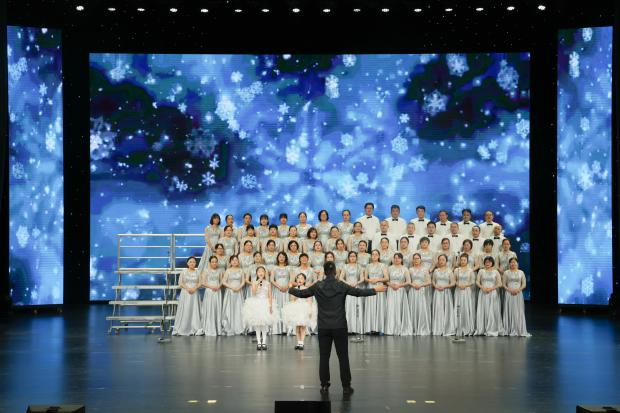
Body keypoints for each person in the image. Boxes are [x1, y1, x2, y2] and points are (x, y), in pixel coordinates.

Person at [288, 261, 387, 395]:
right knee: (343, 357)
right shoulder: (341, 285)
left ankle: (324, 385)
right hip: (339, 326)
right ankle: (346, 386)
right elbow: (358, 292)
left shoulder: (318, 286)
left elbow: (302, 293)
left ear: (324, 272)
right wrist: (375, 289)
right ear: (335, 272)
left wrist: (290, 288)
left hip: (324, 326)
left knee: (324, 357)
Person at [242, 266, 274, 350]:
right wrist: (258, 283)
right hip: (256, 303)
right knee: (257, 324)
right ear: (257, 273)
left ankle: (264, 342)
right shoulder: (254, 282)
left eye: (262, 271)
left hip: (265, 303)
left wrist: (270, 306)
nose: (261, 273)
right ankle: (259, 342)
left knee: (264, 324)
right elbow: (253, 292)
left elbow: (270, 295)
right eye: (259, 271)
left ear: (264, 273)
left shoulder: (268, 283)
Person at [282, 273, 316, 350]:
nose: (300, 279)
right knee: (297, 327)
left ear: (304, 280)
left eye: (301, 278)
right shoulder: (294, 289)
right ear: (296, 280)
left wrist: (310, 310)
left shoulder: (307, 289)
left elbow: (310, 300)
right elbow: (291, 300)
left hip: (304, 309)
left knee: (303, 326)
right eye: (298, 278)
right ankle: (298, 342)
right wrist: (296, 293)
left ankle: (302, 343)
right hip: (296, 309)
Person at [172, 256, 204, 336]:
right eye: (190, 262)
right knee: (186, 308)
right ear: (187, 263)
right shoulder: (184, 271)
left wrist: (194, 288)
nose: (192, 263)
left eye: (194, 262)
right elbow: (180, 283)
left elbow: (200, 282)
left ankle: (195, 327)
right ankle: (183, 327)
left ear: (196, 263)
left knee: (194, 309)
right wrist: (188, 288)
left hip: (195, 293)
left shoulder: (198, 272)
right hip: (186, 293)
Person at [475, 257, 504, 336]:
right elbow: (477, 282)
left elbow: (500, 283)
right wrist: (482, 288)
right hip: (483, 292)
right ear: (484, 263)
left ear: (492, 263)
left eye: (489, 262)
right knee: (483, 309)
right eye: (486, 262)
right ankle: (482, 328)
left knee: (492, 310)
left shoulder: (495, 271)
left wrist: (491, 288)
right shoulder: (481, 271)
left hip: (492, 293)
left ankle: (492, 328)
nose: (487, 263)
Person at [385, 253, 412, 336]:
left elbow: (408, 281)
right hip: (391, 290)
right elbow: (386, 280)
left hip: (400, 290)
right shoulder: (389, 268)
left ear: (401, 259)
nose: (397, 259)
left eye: (399, 258)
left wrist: (399, 285)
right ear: (393, 259)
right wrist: (391, 285)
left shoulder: (405, 269)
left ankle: (400, 328)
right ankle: (390, 329)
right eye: (395, 258)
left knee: (400, 308)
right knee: (391, 308)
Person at [502, 258, 531, 337]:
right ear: (509, 264)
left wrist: (518, 290)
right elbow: (504, 284)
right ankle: (508, 329)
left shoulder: (521, 272)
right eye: (511, 262)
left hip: (518, 293)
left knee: (518, 310)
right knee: (509, 309)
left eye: (514, 262)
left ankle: (519, 329)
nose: (513, 264)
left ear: (517, 263)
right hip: (509, 293)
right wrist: (510, 290)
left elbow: (524, 284)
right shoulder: (506, 272)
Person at [339, 251, 365, 335]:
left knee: (357, 307)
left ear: (356, 257)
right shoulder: (345, 266)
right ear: (348, 257)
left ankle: (357, 328)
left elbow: (362, 278)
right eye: (351, 256)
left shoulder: (359, 266)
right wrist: (348, 283)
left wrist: (356, 283)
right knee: (348, 307)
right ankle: (348, 328)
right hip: (347, 288)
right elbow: (341, 278)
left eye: (354, 256)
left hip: (356, 287)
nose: (352, 258)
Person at [363, 250, 389, 334]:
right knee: (370, 306)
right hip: (370, 286)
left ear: (379, 256)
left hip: (380, 287)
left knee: (379, 306)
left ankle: (379, 328)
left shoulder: (383, 265)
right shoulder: (368, 266)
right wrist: (370, 280)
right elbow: (365, 278)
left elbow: (386, 278)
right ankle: (369, 328)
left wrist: (377, 279)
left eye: (376, 254)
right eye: (373, 254)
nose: (374, 256)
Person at [431, 254, 456, 336]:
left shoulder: (449, 271)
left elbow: (453, 283)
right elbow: (433, 281)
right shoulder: (436, 271)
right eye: (440, 260)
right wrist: (435, 286)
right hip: (437, 292)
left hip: (446, 292)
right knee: (438, 309)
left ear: (446, 261)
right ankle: (438, 328)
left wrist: (445, 286)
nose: (441, 261)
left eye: (443, 260)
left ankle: (447, 328)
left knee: (446, 309)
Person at [221, 255, 245, 336]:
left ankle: (239, 327)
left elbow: (243, 281)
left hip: (239, 291)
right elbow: (223, 282)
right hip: (230, 292)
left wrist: (239, 287)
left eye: (236, 260)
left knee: (238, 308)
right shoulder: (228, 270)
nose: (235, 261)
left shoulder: (241, 270)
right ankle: (229, 327)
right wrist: (232, 287)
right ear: (230, 262)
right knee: (229, 308)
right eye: (233, 260)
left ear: (238, 262)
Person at [408, 253, 431, 336]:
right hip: (413, 290)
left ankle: (422, 327)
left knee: (421, 308)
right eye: (414, 258)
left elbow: (429, 281)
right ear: (412, 260)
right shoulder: (410, 269)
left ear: (420, 259)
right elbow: (408, 281)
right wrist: (413, 285)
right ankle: (413, 327)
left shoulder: (425, 269)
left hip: (421, 290)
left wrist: (421, 285)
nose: (416, 260)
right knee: (412, 307)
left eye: (417, 258)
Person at [453, 254, 476, 336]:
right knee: (458, 306)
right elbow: (454, 280)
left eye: (464, 260)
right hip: (458, 290)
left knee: (466, 306)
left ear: (467, 261)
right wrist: (458, 285)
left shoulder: (470, 270)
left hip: (467, 290)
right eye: (461, 260)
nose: (462, 261)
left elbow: (472, 281)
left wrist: (465, 285)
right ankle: (457, 327)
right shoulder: (457, 270)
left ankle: (467, 326)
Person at [270, 252, 292, 335]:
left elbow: (292, 279)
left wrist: (287, 286)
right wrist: (279, 287)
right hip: (277, 290)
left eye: (283, 257)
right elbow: (272, 280)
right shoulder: (274, 268)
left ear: (285, 258)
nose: (281, 258)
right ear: (277, 258)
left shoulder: (289, 268)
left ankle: (286, 328)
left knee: (286, 308)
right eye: (280, 257)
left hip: (287, 290)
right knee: (277, 308)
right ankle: (277, 329)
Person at [201, 256, 223, 336]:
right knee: (210, 308)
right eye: (212, 262)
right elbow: (203, 282)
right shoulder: (205, 270)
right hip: (209, 291)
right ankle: (209, 327)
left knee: (217, 308)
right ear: (210, 263)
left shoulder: (219, 271)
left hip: (217, 290)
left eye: (215, 262)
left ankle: (217, 328)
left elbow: (221, 281)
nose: (214, 263)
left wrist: (218, 286)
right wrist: (211, 287)